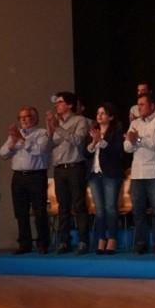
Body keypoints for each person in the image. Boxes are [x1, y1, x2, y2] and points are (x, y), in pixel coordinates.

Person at [0, 106, 50, 254]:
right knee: (20, 212)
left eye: (26, 116)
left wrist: (22, 140)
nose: (22, 119)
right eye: (20, 117)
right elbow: (3, 154)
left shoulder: (42, 133)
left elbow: (39, 150)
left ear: (34, 118)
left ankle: (43, 243)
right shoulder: (15, 134)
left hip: (36, 176)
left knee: (39, 211)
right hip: (18, 177)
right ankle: (24, 244)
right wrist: (12, 142)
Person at [46, 91, 90, 255]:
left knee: (79, 205)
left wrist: (58, 128)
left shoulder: (80, 120)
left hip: (75, 167)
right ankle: (64, 241)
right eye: (56, 102)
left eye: (60, 102)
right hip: (59, 168)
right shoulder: (55, 122)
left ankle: (83, 241)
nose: (57, 105)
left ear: (70, 105)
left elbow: (78, 140)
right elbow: (48, 147)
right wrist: (50, 129)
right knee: (63, 206)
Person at [124, 94, 155, 255]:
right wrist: (133, 141)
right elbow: (127, 147)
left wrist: (139, 140)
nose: (139, 107)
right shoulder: (134, 123)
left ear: (152, 106)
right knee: (138, 210)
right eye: (138, 104)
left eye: (142, 104)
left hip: (154, 172)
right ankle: (141, 243)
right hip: (137, 173)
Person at [86, 102, 124, 255]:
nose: (99, 116)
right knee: (99, 210)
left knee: (110, 208)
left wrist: (101, 141)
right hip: (94, 174)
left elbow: (117, 151)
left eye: (103, 113)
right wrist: (93, 142)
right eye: (98, 113)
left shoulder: (116, 131)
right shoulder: (92, 131)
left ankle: (112, 239)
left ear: (111, 116)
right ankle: (101, 239)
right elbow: (85, 153)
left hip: (111, 174)